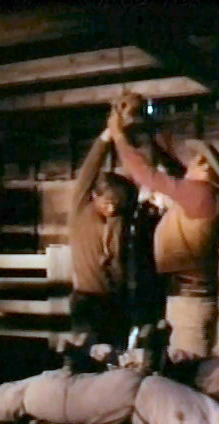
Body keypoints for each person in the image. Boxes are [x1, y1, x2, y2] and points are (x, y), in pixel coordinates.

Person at [108, 100, 219, 360]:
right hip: (188, 296)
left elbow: (148, 175)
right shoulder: (206, 194)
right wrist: (152, 140)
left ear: (205, 167)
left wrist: (119, 136)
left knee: (188, 365)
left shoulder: (199, 194)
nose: (190, 163)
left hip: (189, 300)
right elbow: (177, 172)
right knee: (182, 362)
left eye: (196, 160)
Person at [67, 101, 139, 367]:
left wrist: (125, 136)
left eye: (117, 204)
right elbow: (89, 169)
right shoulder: (80, 210)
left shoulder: (120, 218)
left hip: (116, 301)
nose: (111, 208)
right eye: (107, 202)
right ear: (95, 196)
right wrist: (108, 135)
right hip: (86, 300)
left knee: (115, 359)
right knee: (85, 358)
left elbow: (137, 177)